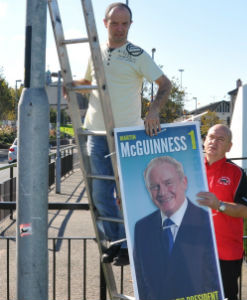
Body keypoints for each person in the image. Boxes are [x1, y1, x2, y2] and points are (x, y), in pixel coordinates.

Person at [72, 2, 172, 265]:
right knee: (100, 193)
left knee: (128, 193)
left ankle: (129, 245)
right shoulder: (95, 52)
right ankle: (114, 242)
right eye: (114, 23)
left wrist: (153, 112)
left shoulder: (136, 54)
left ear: (130, 25)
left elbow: (165, 84)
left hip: (127, 135)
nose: (119, 28)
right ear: (105, 24)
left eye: (124, 24)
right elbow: (86, 82)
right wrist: (68, 86)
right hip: (95, 133)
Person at [134, 156, 222, 300]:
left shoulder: (206, 223)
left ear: (184, 182)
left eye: (168, 183)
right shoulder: (141, 228)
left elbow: (214, 282)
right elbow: (142, 282)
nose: (162, 192)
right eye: (154, 186)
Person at [197, 124, 247, 300]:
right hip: (193, 250)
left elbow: (245, 210)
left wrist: (219, 205)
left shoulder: (236, 173)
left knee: (225, 296)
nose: (214, 142)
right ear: (204, 141)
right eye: (211, 137)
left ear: (229, 146)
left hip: (226, 253)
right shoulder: (190, 168)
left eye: (221, 139)